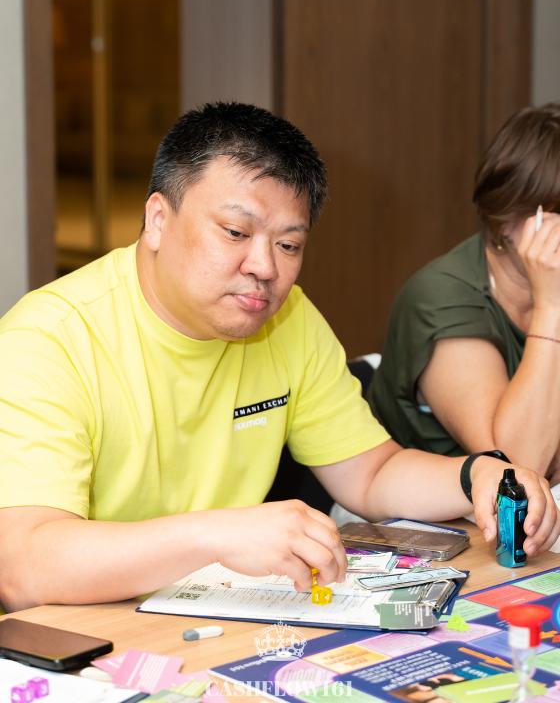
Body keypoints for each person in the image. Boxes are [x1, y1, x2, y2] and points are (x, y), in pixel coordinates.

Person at [0, 102, 557, 613]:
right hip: (87, 634)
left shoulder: (287, 320)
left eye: (289, 245)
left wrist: (477, 473)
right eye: (235, 232)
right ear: (158, 220)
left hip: (214, 616)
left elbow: (370, 474)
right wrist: (218, 534)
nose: (265, 268)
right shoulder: (49, 339)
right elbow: (22, 568)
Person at [369, 103, 560, 482]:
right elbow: (518, 466)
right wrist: (552, 307)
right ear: (507, 217)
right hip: (423, 511)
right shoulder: (440, 298)